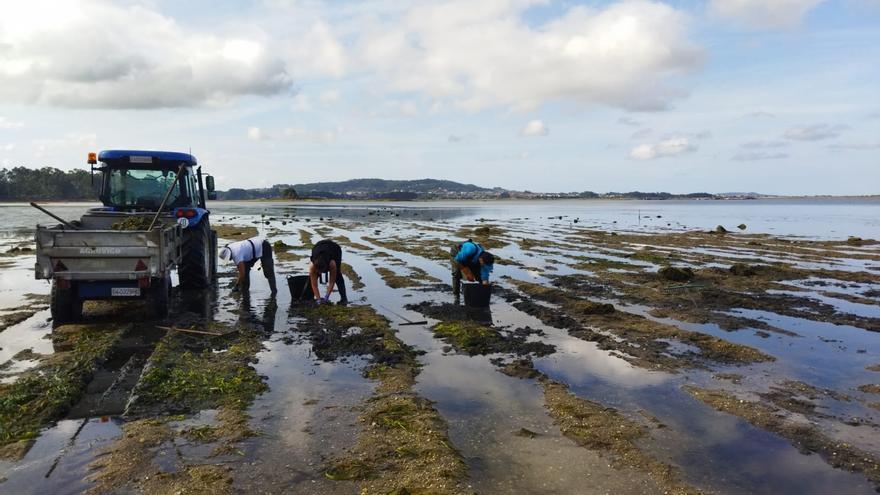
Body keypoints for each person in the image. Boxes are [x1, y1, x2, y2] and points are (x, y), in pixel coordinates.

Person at [309, 239, 348, 304]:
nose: (321, 273)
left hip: (335, 250)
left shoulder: (332, 263)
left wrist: (326, 297)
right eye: (319, 271)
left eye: (322, 271)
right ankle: (311, 297)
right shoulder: (312, 267)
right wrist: (318, 299)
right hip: (318, 246)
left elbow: (331, 282)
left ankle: (344, 299)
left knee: (337, 275)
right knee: (312, 278)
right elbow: (314, 285)